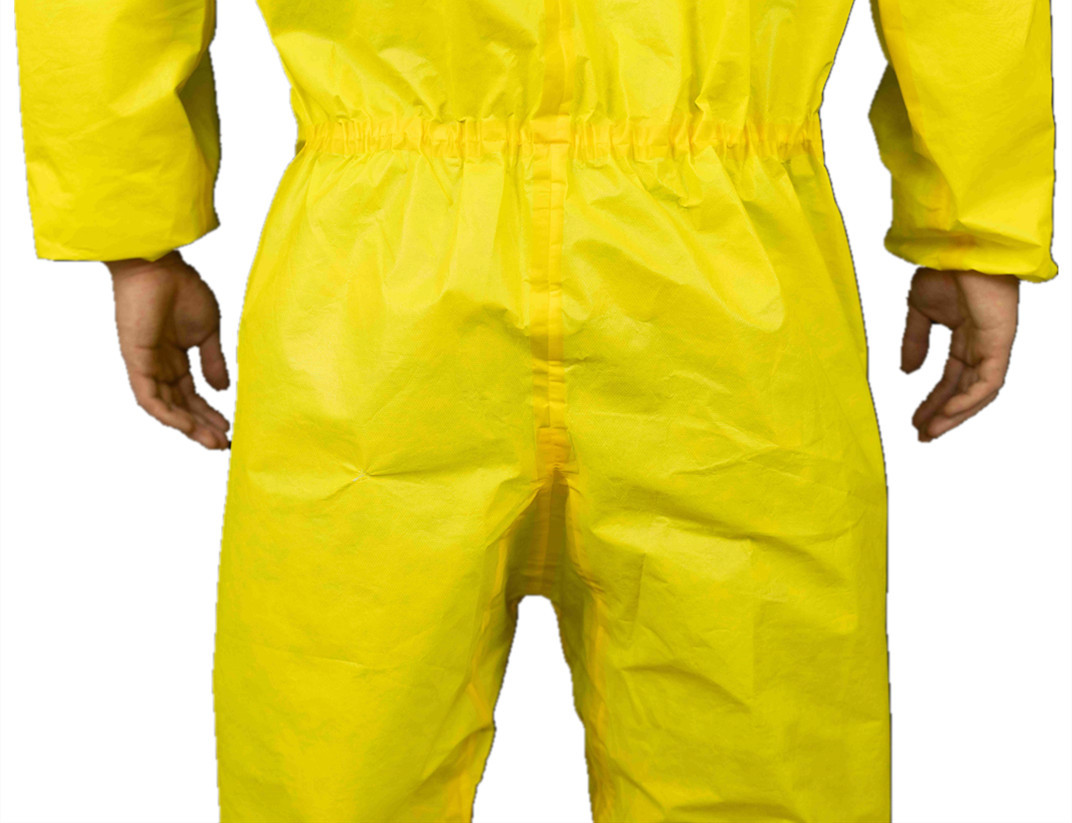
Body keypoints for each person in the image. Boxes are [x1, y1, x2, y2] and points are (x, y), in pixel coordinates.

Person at [13, 0, 1058, 819]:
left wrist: (135, 233)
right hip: (728, 290)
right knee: (763, 754)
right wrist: (973, 224)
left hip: (375, 288)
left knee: (335, 750)